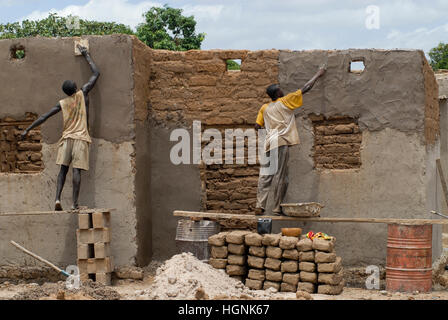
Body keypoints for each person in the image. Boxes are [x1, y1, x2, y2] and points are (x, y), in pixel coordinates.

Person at [21, 45, 100, 211]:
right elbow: (96, 73)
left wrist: (28, 129)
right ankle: (74, 204)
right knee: (76, 172)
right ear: (75, 87)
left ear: (65, 92)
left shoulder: (62, 104)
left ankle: (57, 199)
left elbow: (44, 117)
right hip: (80, 139)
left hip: (66, 139)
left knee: (62, 171)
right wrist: (86, 55)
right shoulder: (83, 93)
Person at [254, 64, 326, 216]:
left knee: (266, 175)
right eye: (279, 88)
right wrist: (318, 74)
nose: (282, 89)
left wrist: (268, 132)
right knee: (281, 176)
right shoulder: (285, 101)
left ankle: (260, 205)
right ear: (277, 93)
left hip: (269, 142)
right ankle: (276, 207)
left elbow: (256, 126)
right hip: (281, 141)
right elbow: (306, 88)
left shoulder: (264, 108)